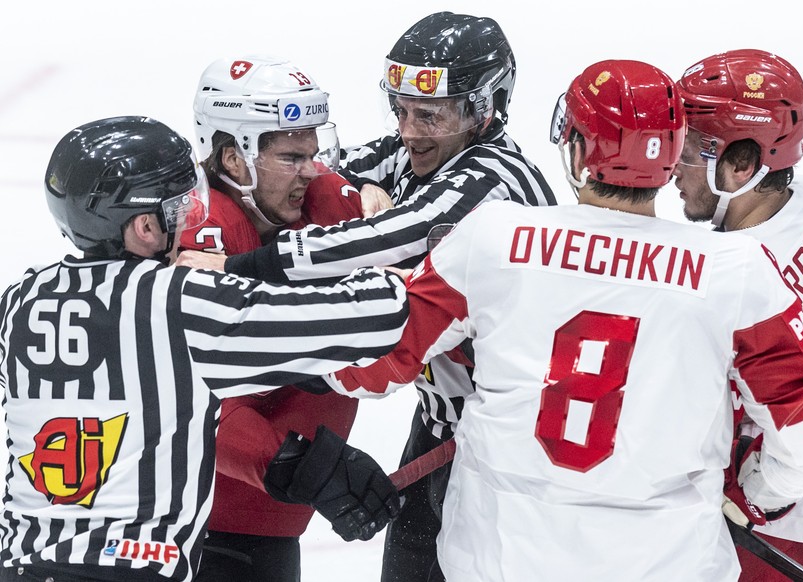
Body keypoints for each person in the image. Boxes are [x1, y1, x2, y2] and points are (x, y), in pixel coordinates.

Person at [324, 59, 803, 581]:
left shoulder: (493, 239)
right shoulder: (737, 271)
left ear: (576, 149)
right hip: (668, 562)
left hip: (500, 559)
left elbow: (365, 368)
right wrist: (752, 496)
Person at [175, 12, 557, 581]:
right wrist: (357, 185)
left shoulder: (494, 179)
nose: (408, 130)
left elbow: (386, 237)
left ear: (485, 108)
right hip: (445, 425)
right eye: (399, 109)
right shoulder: (417, 154)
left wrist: (240, 265)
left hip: (507, 447)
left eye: (429, 114)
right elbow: (328, 171)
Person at [0, 115, 406, 582]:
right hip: (135, 570)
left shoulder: (20, 301)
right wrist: (379, 246)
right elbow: (375, 316)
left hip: (23, 565)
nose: (192, 221)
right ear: (146, 227)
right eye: (181, 209)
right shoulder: (181, 301)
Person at [675, 48, 803, 581]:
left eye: (692, 150)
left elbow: (802, 435)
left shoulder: (742, 279)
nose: (673, 165)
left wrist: (751, 498)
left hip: (801, 516)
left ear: (742, 165)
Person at [183, 55, 381, 582]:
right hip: (197, 534)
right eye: (292, 156)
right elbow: (193, 407)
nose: (312, 170)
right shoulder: (203, 236)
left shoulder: (318, 201)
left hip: (264, 523)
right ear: (233, 160)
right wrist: (302, 466)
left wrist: (370, 190)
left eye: (314, 153)